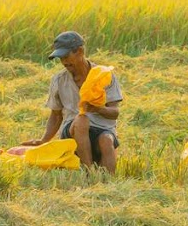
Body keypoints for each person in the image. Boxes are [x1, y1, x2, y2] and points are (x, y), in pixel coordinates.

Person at [22, 30, 122, 173]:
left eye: (66, 56)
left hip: (102, 128)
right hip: (72, 129)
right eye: (60, 58)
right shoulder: (59, 80)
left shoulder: (104, 75)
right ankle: (89, 172)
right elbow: (56, 115)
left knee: (106, 140)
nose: (64, 62)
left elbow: (115, 112)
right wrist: (44, 141)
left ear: (80, 51)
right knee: (82, 120)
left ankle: (108, 184)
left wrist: (98, 109)